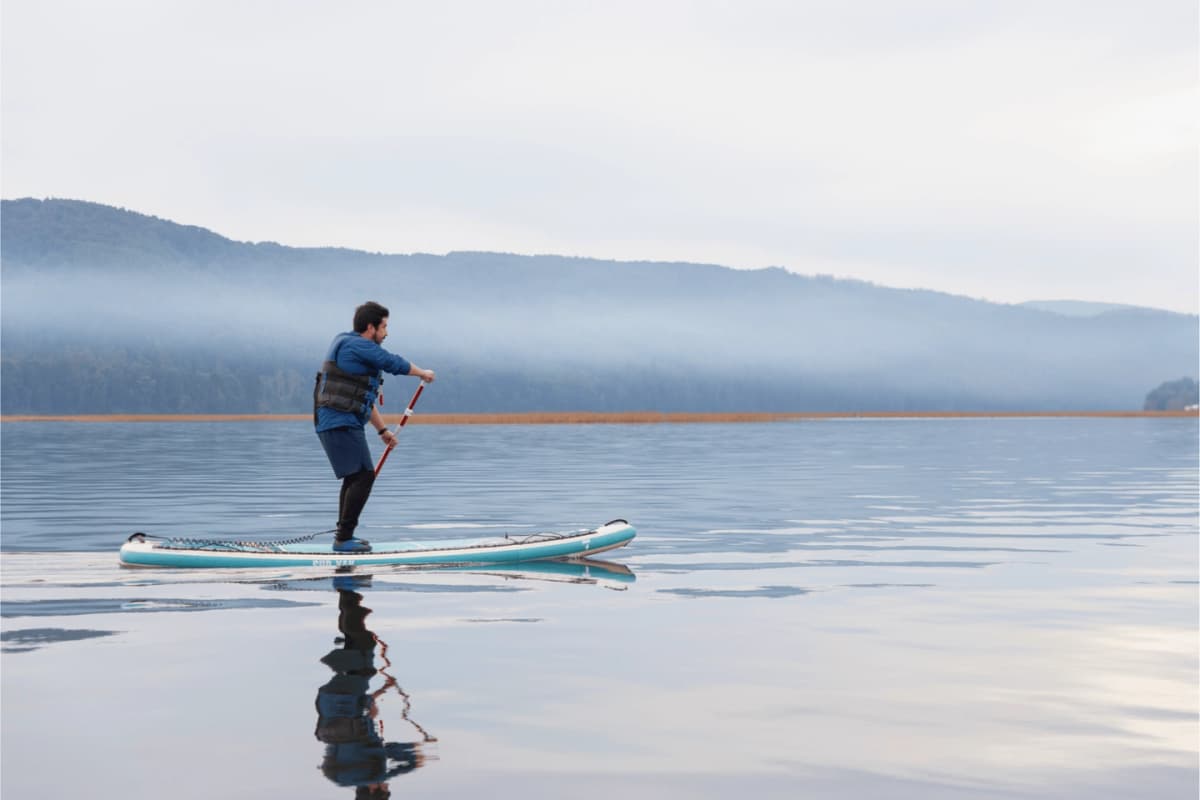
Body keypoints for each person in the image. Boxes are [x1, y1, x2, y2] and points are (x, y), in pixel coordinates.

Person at [315, 301, 435, 553]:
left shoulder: (349, 344)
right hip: (338, 421)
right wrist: (422, 372)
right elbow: (392, 363)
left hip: (338, 420)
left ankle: (344, 536)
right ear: (371, 327)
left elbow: (361, 399)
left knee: (355, 476)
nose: (387, 333)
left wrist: (382, 431)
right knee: (363, 475)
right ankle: (343, 539)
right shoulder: (357, 345)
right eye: (384, 327)